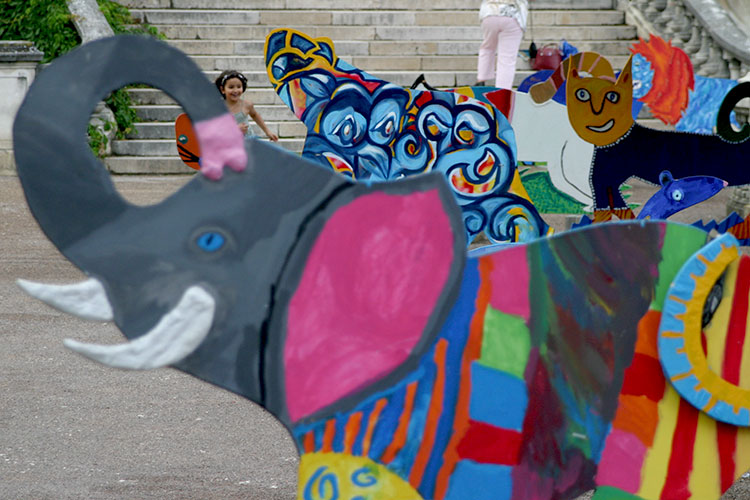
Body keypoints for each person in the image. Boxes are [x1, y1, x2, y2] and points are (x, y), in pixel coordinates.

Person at [476, 0, 530, 89]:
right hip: (513, 14)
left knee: (487, 48)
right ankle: (502, 91)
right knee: (507, 58)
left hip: (490, 12)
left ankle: (481, 80)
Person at [215, 70, 279, 142]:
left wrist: (268, 132)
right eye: (231, 87)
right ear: (222, 89)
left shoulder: (246, 105)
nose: (235, 90)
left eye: (239, 87)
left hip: (247, 141)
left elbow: (255, 115)